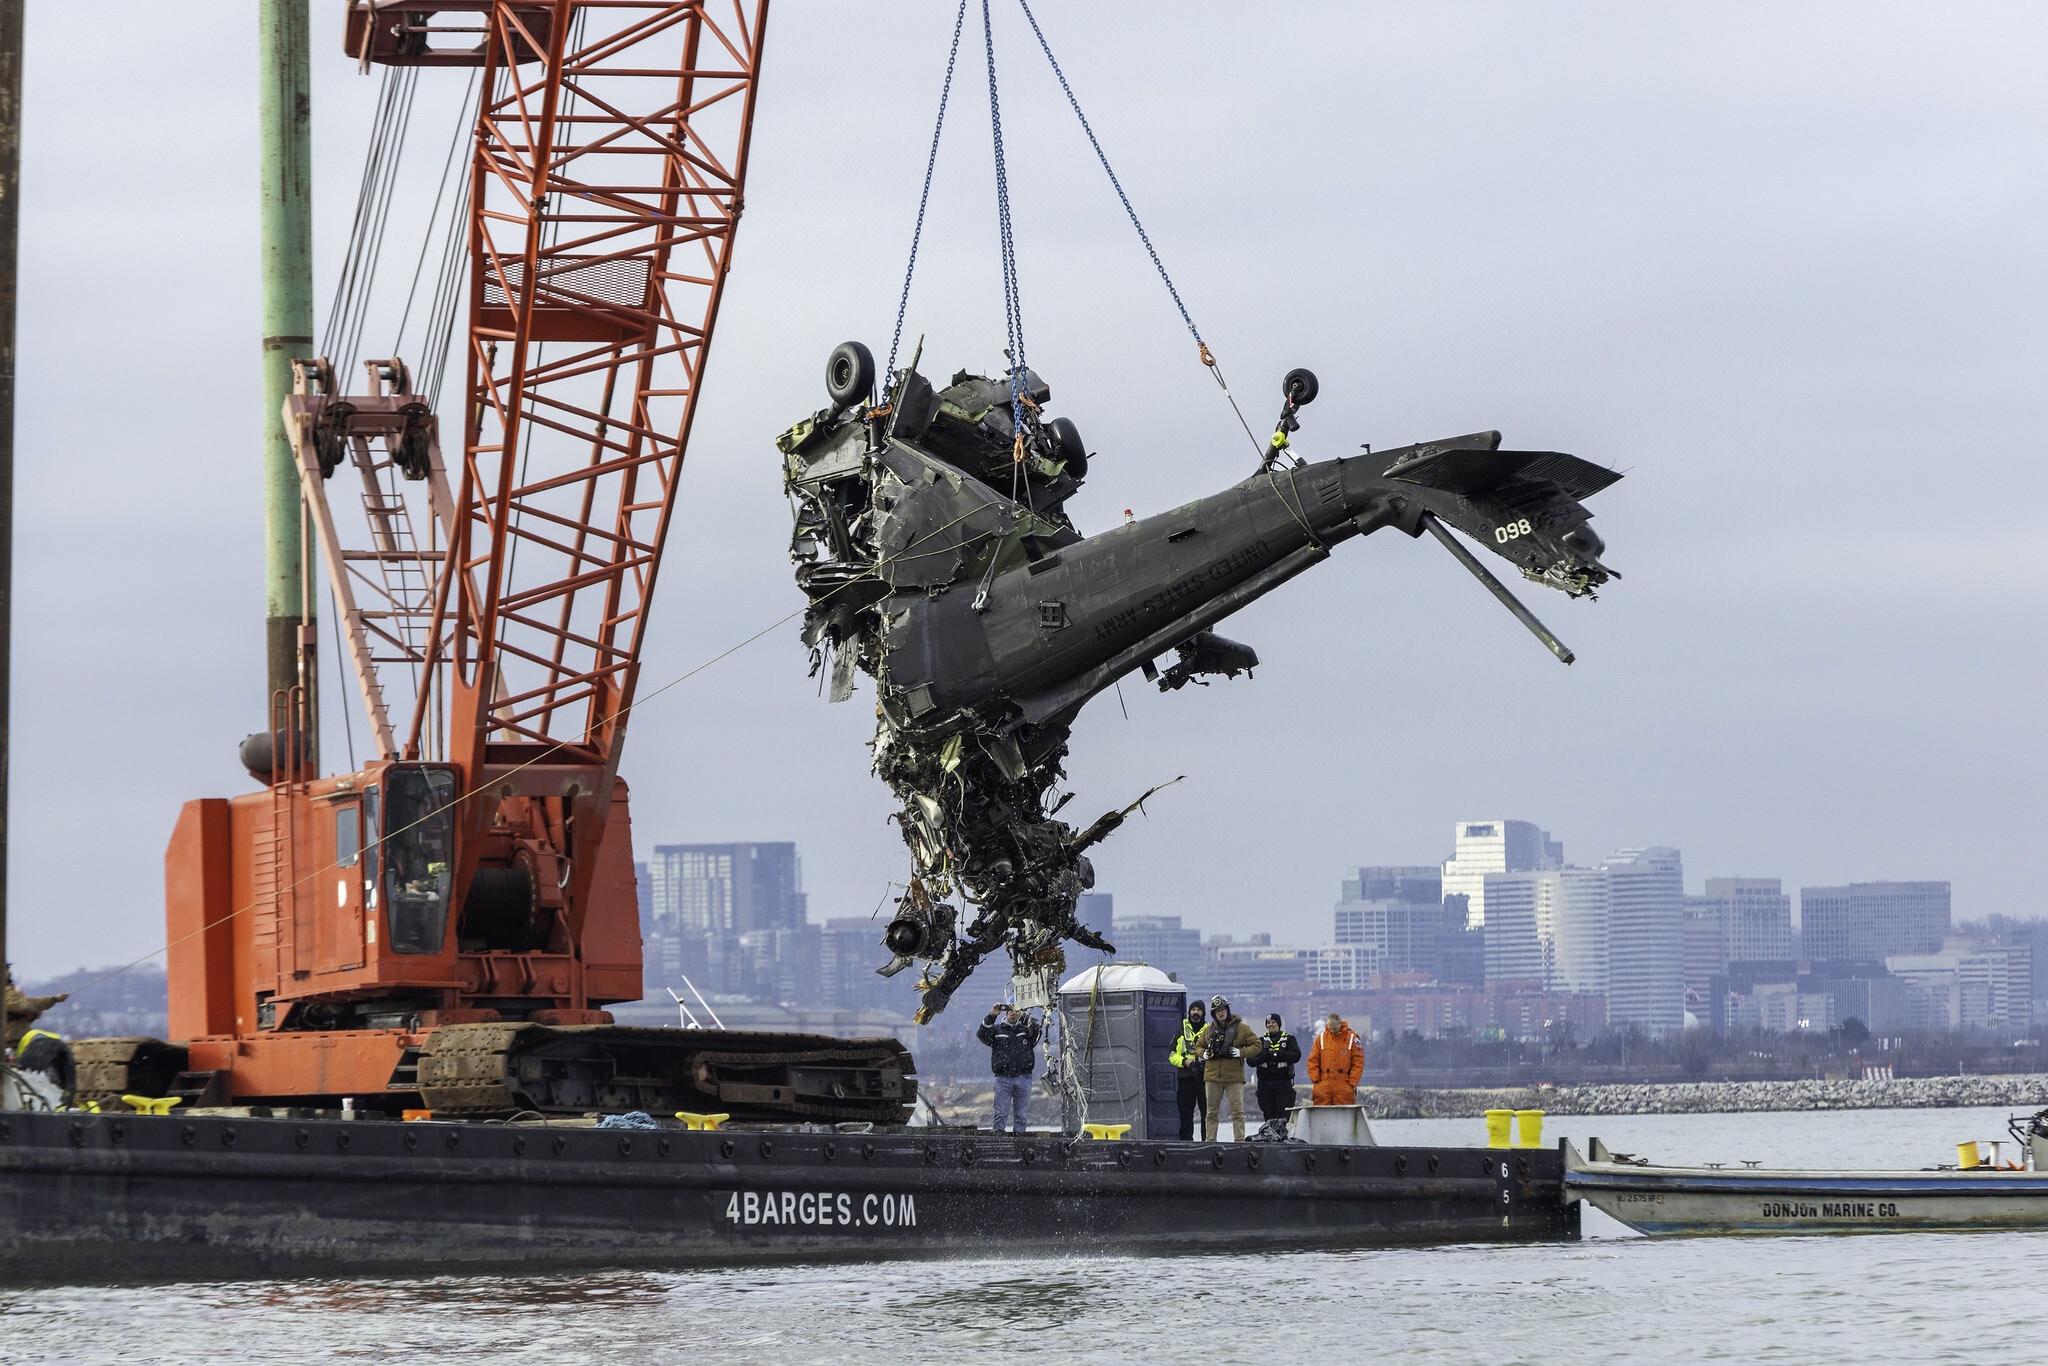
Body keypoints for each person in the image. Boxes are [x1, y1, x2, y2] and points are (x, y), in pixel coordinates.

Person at [1193, 995, 1263, 1141]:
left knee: (1238, 1112)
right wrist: (1203, 1053)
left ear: (1228, 1010)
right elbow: (1198, 1046)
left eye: (1223, 1009)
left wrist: (1241, 1053)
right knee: (1211, 1112)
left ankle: (1239, 1141)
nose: (1221, 1013)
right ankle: (1210, 1141)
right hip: (1212, 1078)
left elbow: (1257, 1045)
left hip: (1234, 1078)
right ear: (1213, 1014)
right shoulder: (1208, 1030)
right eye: (1217, 1011)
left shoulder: (1242, 1028)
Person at [977, 1002, 1041, 1134]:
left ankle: (1020, 1142)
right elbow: (982, 1034)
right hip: (1003, 1078)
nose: (1012, 1012)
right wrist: (992, 1015)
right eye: (1010, 1010)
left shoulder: (1026, 1030)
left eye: (1015, 1010)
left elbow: (1037, 1031)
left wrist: (1023, 1016)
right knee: (1000, 1114)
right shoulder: (997, 1030)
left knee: (1021, 1116)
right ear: (1005, 1012)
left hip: (1024, 1077)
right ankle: (999, 1141)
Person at [1167, 998, 1208, 1140]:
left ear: (1203, 1013)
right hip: (1186, 1077)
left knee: (1207, 1114)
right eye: (1193, 1010)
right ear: (1189, 1012)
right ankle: (1186, 1144)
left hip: (1205, 1078)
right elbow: (1172, 1055)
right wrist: (1185, 1062)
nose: (1195, 1012)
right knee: (1185, 1114)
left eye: (1198, 1010)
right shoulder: (1181, 1032)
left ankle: (1207, 1142)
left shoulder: (1210, 1032)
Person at [1307, 1012, 1364, 1106]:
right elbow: (1313, 1061)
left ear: (1340, 1024)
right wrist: (1316, 1080)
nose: (1333, 1031)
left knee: (1344, 1113)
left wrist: (1352, 1082)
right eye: (1330, 1028)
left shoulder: (1352, 1038)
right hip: (1323, 1084)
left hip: (1344, 1084)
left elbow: (1358, 1062)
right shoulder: (1321, 1039)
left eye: (1335, 1028)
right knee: (1322, 1114)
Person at [1254, 1013, 1302, 1124]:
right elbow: (1251, 1060)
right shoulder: (1260, 1041)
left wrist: (1279, 1055)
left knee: (1284, 1115)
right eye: (1268, 1023)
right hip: (1265, 1084)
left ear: (1278, 1024)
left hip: (1283, 1083)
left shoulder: (1289, 1039)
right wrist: (1263, 1056)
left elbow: (1296, 1056)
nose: (1271, 1025)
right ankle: (1270, 1136)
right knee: (1268, 1115)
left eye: (1273, 1022)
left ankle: (1283, 1137)